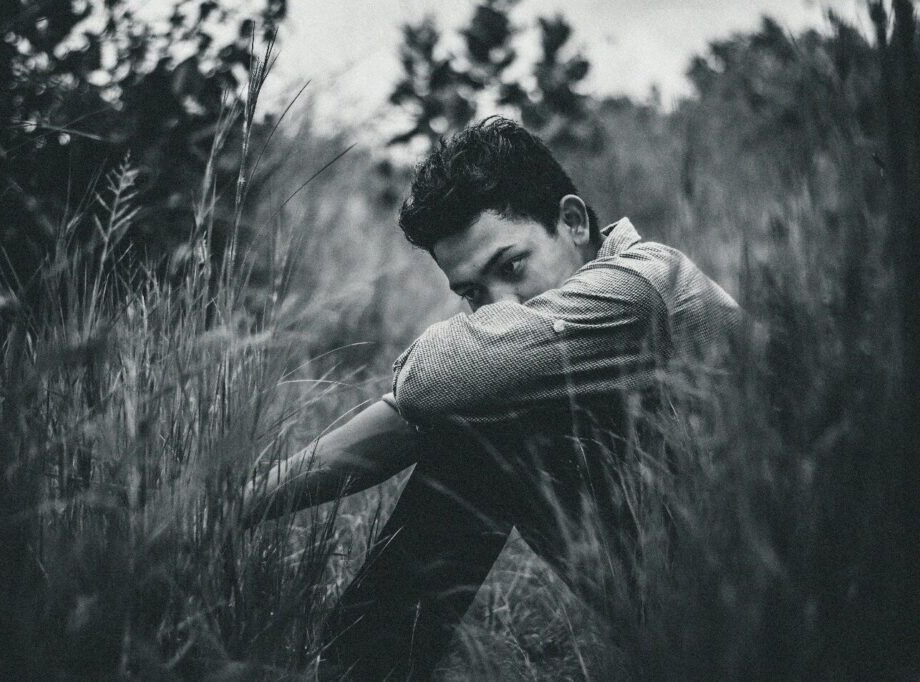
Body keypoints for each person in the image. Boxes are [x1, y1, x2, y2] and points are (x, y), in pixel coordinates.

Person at [241, 117, 743, 680]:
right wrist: (239, 506)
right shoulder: (558, 340)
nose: (500, 305)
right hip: (690, 610)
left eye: (511, 267)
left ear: (572, 221)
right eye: (474, 293)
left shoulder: (644, 284)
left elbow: (431, 382)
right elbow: (413, 410)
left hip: (767, 619)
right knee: (483, 410)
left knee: (484, 423)